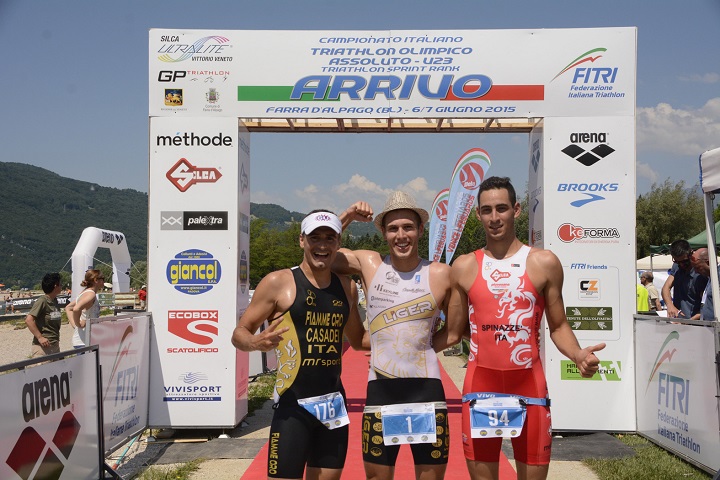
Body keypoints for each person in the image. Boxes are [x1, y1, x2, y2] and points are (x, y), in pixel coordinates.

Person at [445, 176, 604, 480]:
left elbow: (558, 325)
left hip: (529, 387)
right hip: (481, 388)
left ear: (516, 210)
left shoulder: (543, 262)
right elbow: (457, 330)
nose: (494, 218)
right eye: (487, 210)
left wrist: (577, 354)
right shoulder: (464, 266)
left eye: (501, 208)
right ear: (478, 214)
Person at [231, 210, 368, 480]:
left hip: (333, 406)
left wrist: (408, 331)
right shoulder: (278, 283)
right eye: (314, 237)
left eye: (330, 238)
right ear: (301, 240)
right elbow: (239, 333)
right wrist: (255, 342)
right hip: (294, 407)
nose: (322, 245)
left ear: (338, 244)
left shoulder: (347, 288)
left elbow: (359, 339)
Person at [334, 191, 453, 480]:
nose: (401, 235)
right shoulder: (370, 264)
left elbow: (454, 332)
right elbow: (318, 251)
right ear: (384, 233)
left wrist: (418, 349)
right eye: (393, 228)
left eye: (408, 227)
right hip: (381, 389)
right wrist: (347, 216)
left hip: (427, 389)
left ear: (420, 230)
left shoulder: (440, 273)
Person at [661, 239, 708, 318]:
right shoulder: (677, 267)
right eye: (676, 261)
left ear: (691, 253)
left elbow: (705, 306)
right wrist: (670, 305)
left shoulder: (700, 273)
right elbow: (666, 287)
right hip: (679, 321)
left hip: (695, 324)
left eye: (685, 261)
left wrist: (689, 322)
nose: (681, 265)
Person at [25, 272, 63, 358]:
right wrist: (40, 337)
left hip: (55, 344)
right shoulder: (42, 301)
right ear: (55, 286)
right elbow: (29, 320)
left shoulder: (55, 301)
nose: (62, 286)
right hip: (42, 347)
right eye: (60, 284)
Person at [65, 269, 104, 348]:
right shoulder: (91, 294)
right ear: (96, 280)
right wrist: (78, 324)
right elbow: (76, 309)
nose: (104, 281)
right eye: (102, 279)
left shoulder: (85, 292)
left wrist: (75, 325)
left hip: (83, 340)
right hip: (84, 342)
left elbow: (68, 307)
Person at [688, 248, 719, 320]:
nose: (696, 272)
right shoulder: (710, 278)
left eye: (698, 267)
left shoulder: (718, 277)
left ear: (708, 262)